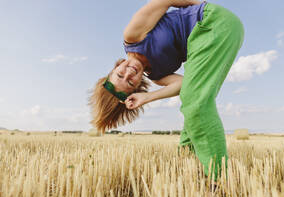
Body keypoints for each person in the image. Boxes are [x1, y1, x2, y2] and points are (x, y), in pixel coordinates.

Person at [89, 0, 244, 180]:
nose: (128, 74)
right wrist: (147, 98)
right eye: (130, 83)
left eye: (119, 74)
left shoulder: (133, 36)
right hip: (216, 34)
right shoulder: (156, 74)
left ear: (114, 68)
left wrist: (203, 6)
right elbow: (186, 84)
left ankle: (219, 178)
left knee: (196, 101)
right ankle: (187, 161)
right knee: (193, 96)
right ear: (138, 85)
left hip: (210, 23)